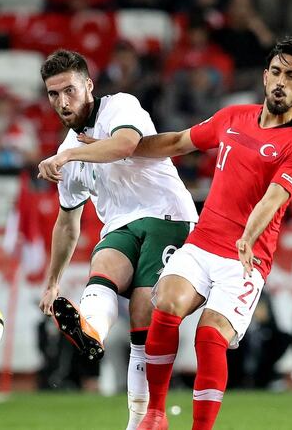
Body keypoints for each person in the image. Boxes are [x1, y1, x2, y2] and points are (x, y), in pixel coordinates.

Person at [123, 36, 292, 429]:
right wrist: (122, 150)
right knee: (166, 304)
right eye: (277, 73)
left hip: (247, 257)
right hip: (203, 242)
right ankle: (155, 415)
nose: (282, 82)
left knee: (209, 337)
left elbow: (272, 198)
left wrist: (247, 236)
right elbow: (179, 141)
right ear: (265, 77)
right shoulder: (233, 117)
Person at [35, 50, 198, 430]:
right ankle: (90, 328)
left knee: (143, 313)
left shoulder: (119, 106)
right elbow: (66, 224)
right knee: (102, 264)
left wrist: (73, 153)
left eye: (69, 90)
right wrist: (53, 282)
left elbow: (125, 145)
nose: (62, 102)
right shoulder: (67, 154)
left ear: (89, 85)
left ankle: (146, 417)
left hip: (166, 215)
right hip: (121, 226)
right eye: (53, 94)